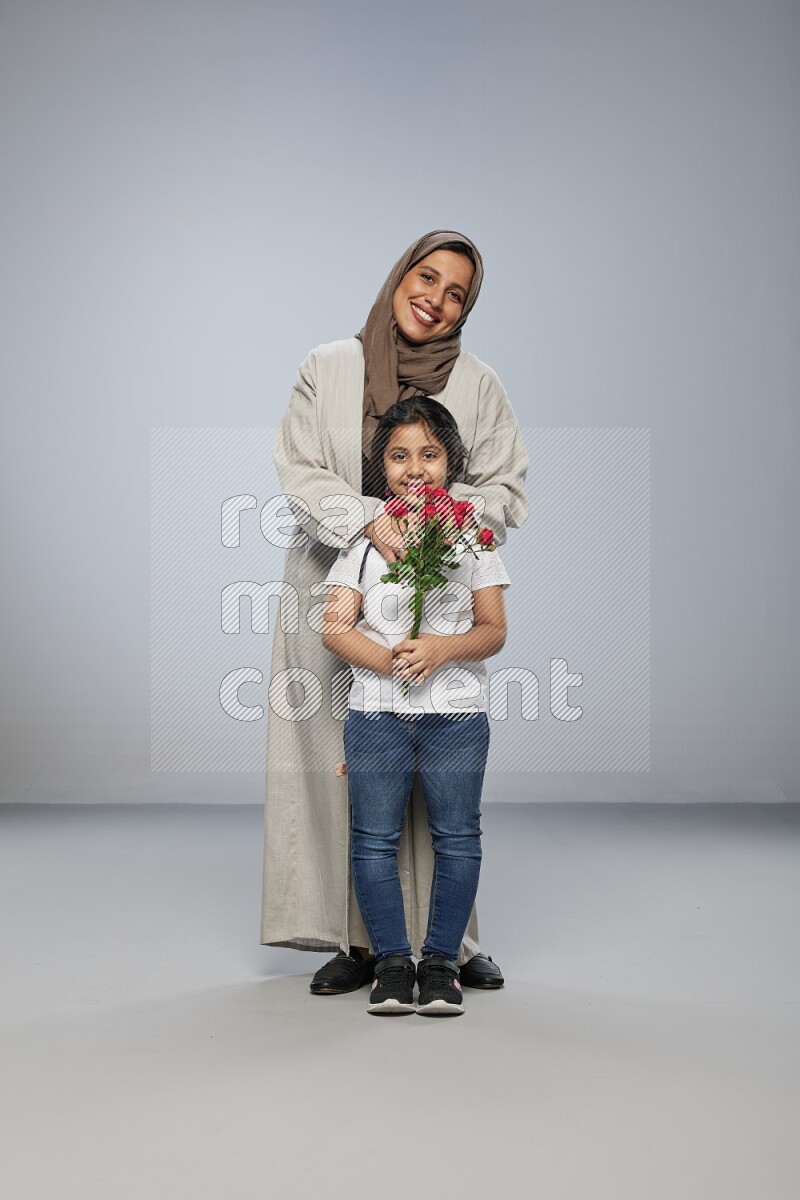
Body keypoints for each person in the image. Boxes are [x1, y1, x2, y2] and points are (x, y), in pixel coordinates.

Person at [260, 229, 529, 994]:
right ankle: (358, 943)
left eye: (457, 294)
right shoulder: (329, 367)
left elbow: (506, 487)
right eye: (427, 277)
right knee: (344, 764)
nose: (435, 299)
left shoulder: (479, 384)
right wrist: (365, 519)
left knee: (443, 772)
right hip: (334, 579)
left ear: (465, 311)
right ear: (398, 275)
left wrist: (445, 510)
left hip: (439, 593)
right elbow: (300, 466)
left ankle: (452, 944)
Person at [321, 398, 510, 1015]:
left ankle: (440, 966)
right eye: (399, 455)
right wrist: (392, 661)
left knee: (457, 837)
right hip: (376, 714)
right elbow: (336, 628)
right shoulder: (366, 546)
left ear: (450, 461)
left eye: (429, 454)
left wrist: (440, 649)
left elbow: (493, 630)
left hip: (456, 714)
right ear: (382, 468)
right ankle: (393, 966)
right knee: (373, 840)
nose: (414, 467)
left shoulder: (472, 539)